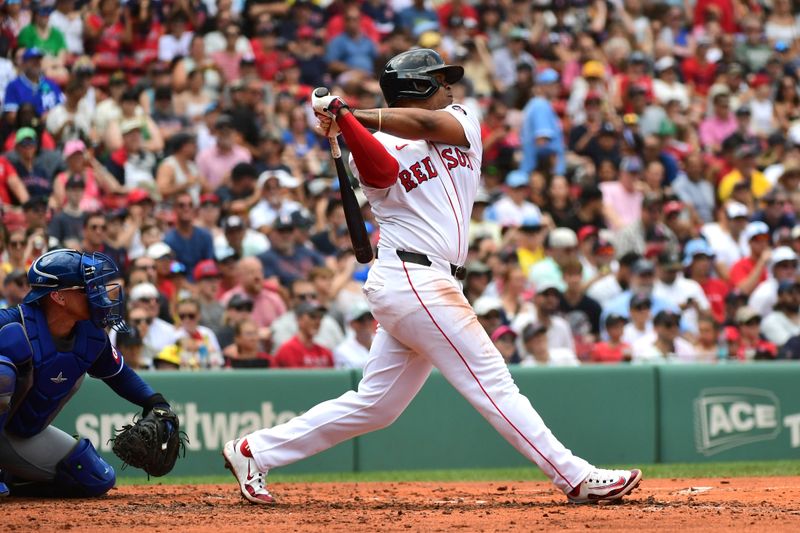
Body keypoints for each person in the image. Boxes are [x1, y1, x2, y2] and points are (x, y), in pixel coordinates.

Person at [222, 50, 641, 505]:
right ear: (416, 85)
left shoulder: (462, 119)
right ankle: (575, 476)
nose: (450, 87)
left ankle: (253, 451)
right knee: (493, 381)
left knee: (377, 405)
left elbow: (422, 127)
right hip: (411, 276)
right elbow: (380, 171)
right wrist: (349, 125)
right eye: (440, 80)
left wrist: (347, 113)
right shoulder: (373, 146)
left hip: (428, 280)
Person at [0, 249, 177, 496]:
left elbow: (120, 375)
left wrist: (155, 402)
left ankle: (12, 476)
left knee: (96, 478)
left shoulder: (91, 335)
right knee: (2, 372)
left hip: (22, 434)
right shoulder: (10, 323)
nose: (99, 294)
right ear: (58, 296)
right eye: (88, 287)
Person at [332, 301, 375, 369]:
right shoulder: (342, 350)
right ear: (351, 323)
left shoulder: (383, 342)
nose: (367, 323)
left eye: (370, 318)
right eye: (361, 319)